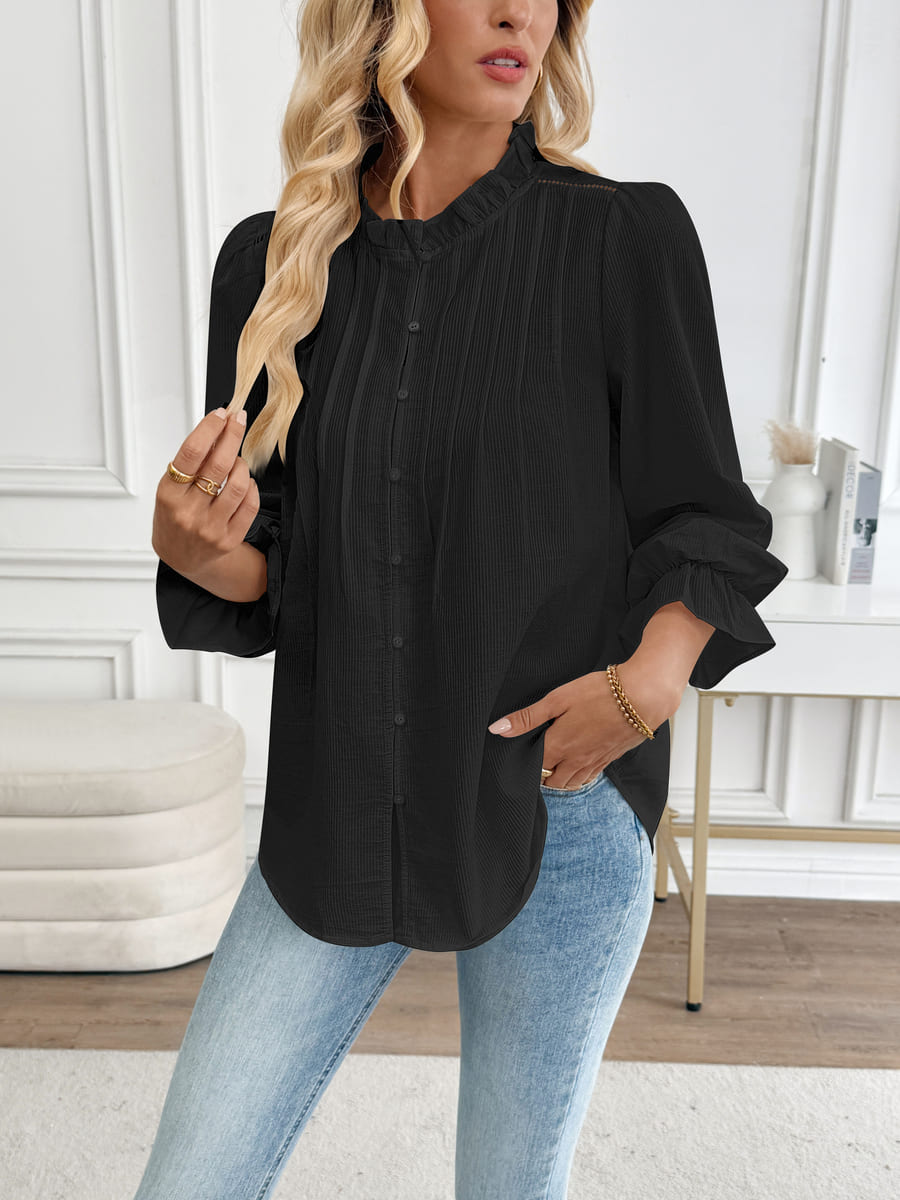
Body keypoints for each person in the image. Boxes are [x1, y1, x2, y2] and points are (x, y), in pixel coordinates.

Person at [140, 1, 788, 1196]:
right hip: (340, 805)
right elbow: (279, 574)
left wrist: (644, 691)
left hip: (556, 798)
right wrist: (196, 547)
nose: (517, 13)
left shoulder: (621, 240)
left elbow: (703, 513)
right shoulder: (274, 263)